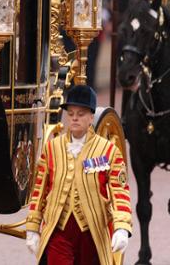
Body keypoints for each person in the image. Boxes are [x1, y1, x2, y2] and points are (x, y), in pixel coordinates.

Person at [25, 85, 132, 265]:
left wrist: (122, 227)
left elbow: (120, 192)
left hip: (92, 233)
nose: (74, 118)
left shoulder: (108, 150)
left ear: (91, 117)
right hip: (58, 232)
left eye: (81, 114)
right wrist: (33, 228)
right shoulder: (52, 148)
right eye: (71, 113)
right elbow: (39, 191)